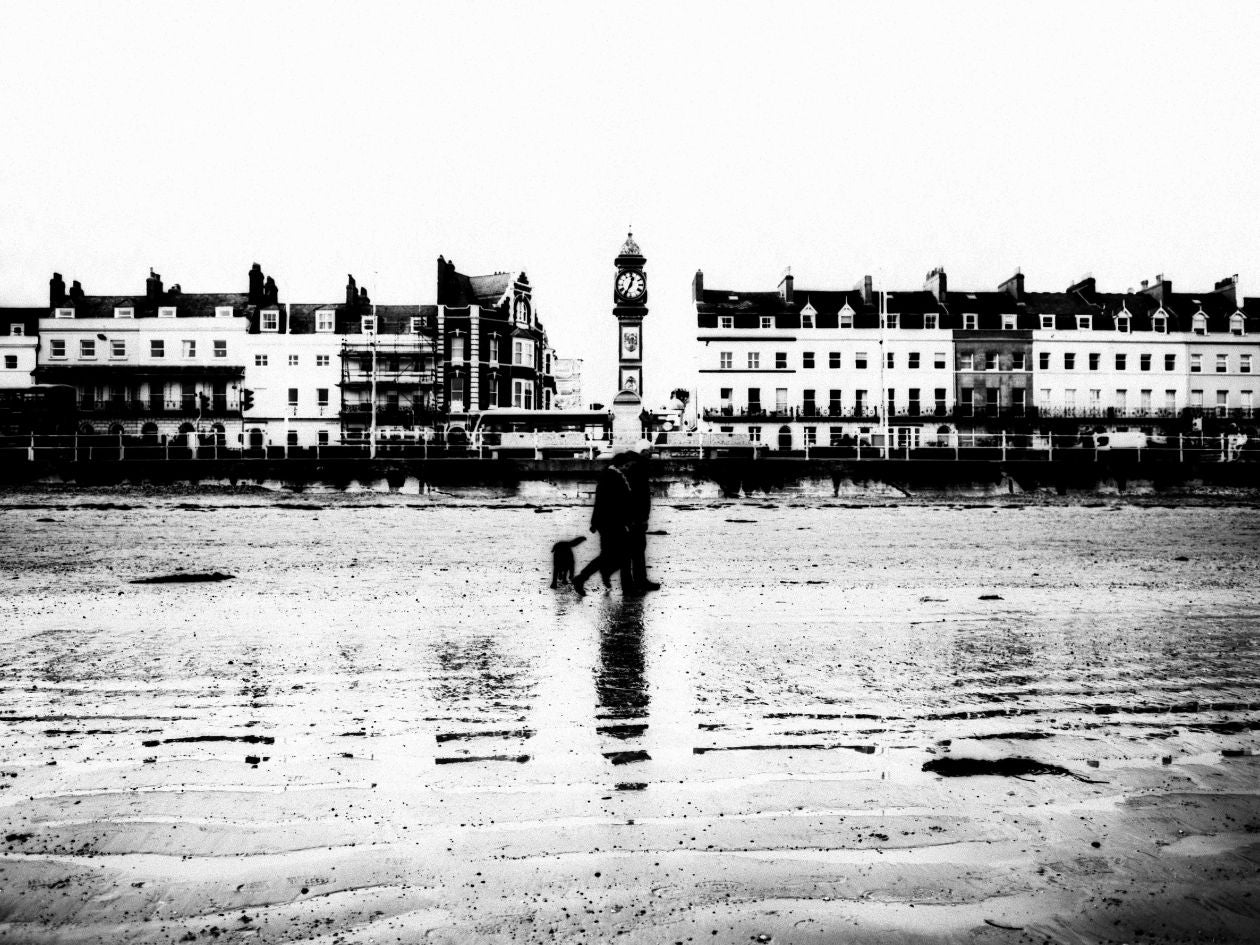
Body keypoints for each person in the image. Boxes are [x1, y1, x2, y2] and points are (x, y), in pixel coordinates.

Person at [573, 451, 633, 596]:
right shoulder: (612, 477)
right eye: (628, 465)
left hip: (609, 522)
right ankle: (582, 578)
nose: (629, 468)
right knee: (615, 555)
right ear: (622, 464)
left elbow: (601, 502)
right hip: (611, 523)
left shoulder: (611, 475)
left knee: (616, 555)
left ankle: (622, 584)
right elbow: (609, 503)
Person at [624, 439, 661, 593]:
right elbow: (640, 495)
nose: (652, 453)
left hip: (634, 516)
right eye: (650, 450)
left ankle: (636, 581)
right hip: (636, 516)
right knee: (638, 549)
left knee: (635, 549)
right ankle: (638, 581)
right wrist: (641, 516)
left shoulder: (634, 466)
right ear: (643, 452)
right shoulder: (639, 468)